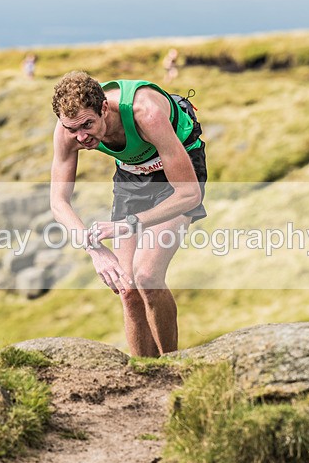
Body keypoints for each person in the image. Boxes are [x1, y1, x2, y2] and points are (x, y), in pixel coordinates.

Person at [50, 71, 207, 357]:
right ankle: (143, 377)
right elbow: (58, 201)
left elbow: (189, 195)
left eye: (87, 124)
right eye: (72, 129)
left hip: (178, 176)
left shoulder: (146, 114)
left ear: (104, 109)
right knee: (128, 289)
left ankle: (171, 369)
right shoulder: (69, 130)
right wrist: (95, 249)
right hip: (132, 178)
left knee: (146, 275)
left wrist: (129, 224)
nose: (81, 136)